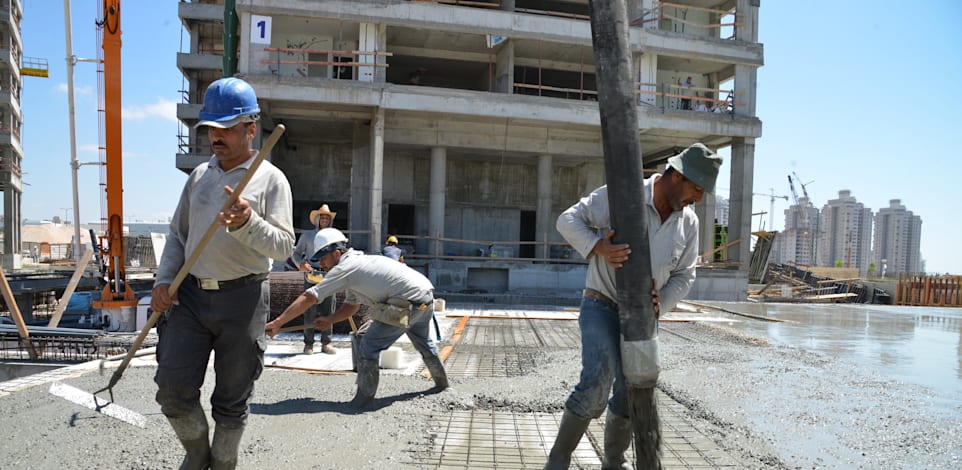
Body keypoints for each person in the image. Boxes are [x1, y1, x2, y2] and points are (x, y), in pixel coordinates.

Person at [544, 143, 722, 469]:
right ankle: (558, 459)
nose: (698, 197)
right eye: (696, 188)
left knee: (632, 390)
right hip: (602, 303)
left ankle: (614, 462)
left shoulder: (689, 222)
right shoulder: (623, 195)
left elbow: (685, 274)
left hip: (643, 316)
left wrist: (662, 302)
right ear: (677, 175)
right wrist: (599, 247)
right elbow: (567, 220)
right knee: (598, 382)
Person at [150, 77, 295, 470]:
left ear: (251, 128)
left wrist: (247, 222)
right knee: (172, 389)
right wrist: (164, 281)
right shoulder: (199, 176)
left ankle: (224, 461)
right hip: (191, 298)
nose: (217, 136)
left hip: (244, 300)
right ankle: (197, 454)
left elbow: (284, 246)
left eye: (227, 128)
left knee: (232, 398)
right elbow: (179, 235)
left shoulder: (270, 179)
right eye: (212, 128)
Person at [266, 228, 448, 408]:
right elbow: (351, 306)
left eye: (323, 258)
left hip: (406, 301)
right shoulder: (358, 263)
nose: (321, 264)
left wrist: (278, 323)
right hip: (425, 297)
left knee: (368, 346)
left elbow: (310, 296)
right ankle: (442, 385)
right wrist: (330, 320)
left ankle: (364, 399)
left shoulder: (345, 268)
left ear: (336, 253)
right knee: (423, 341)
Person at [289, 204, 338, 355]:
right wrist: (301, 264)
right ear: (317, 219)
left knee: (329, 310)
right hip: (312, 275)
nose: (324, 220)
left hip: (329, 276)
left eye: (327, 218)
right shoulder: (307, 236)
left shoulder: (334, 236)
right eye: (322, 217)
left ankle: (326, 342)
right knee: (309, 309)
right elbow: (296, 253)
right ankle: (308, 343)